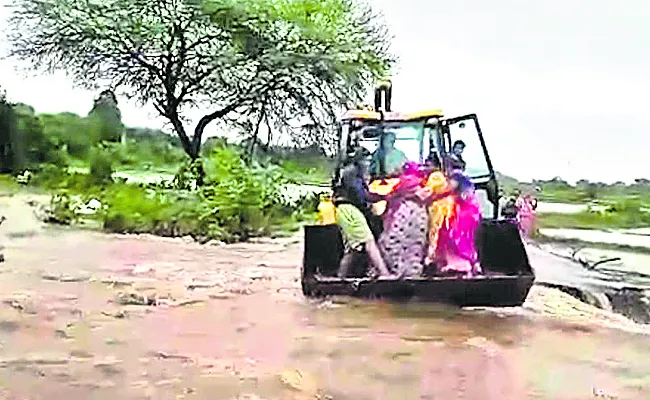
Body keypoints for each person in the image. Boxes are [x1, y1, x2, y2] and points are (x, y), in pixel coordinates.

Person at [333, 149, 391, 278]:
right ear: (359, 161)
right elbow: (362, 195)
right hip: (349, 209)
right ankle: (385, 274)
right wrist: (384, 197)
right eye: (366, 160)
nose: (369, 164)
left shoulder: (352, 172)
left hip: (345, 210)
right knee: (369, 242)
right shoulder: (352, 173)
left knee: (353, 249)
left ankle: (340, 281)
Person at [377, 162, 432, 278]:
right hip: (417, 217)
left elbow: (390, 199)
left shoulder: (400, 185)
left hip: (401, 217)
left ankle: (396, 272)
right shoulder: (421, 184)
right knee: (414, 248)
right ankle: (412, 274)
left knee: (397, 245)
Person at [429, 172, 482, 278]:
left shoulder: (465, 201)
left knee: (458, 242)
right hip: (455, 223)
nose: (447, 183)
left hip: (460, 223)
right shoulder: (449, 199)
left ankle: (460, 266)